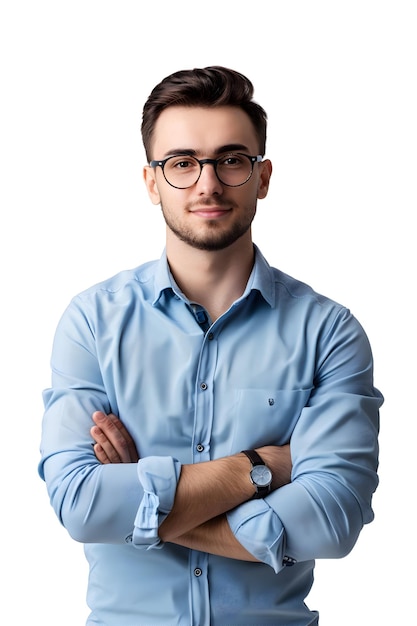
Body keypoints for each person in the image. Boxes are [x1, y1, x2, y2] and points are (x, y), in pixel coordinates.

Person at [39, 66, 383, 626]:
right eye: (182, 163)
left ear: (262, 176)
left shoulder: (329, 332)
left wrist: (141, 502)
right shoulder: (92, 322)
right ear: (151, 182)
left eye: (231, 159)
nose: (207, 183)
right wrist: (258, 469)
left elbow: (333, 521)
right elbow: (80, 505)